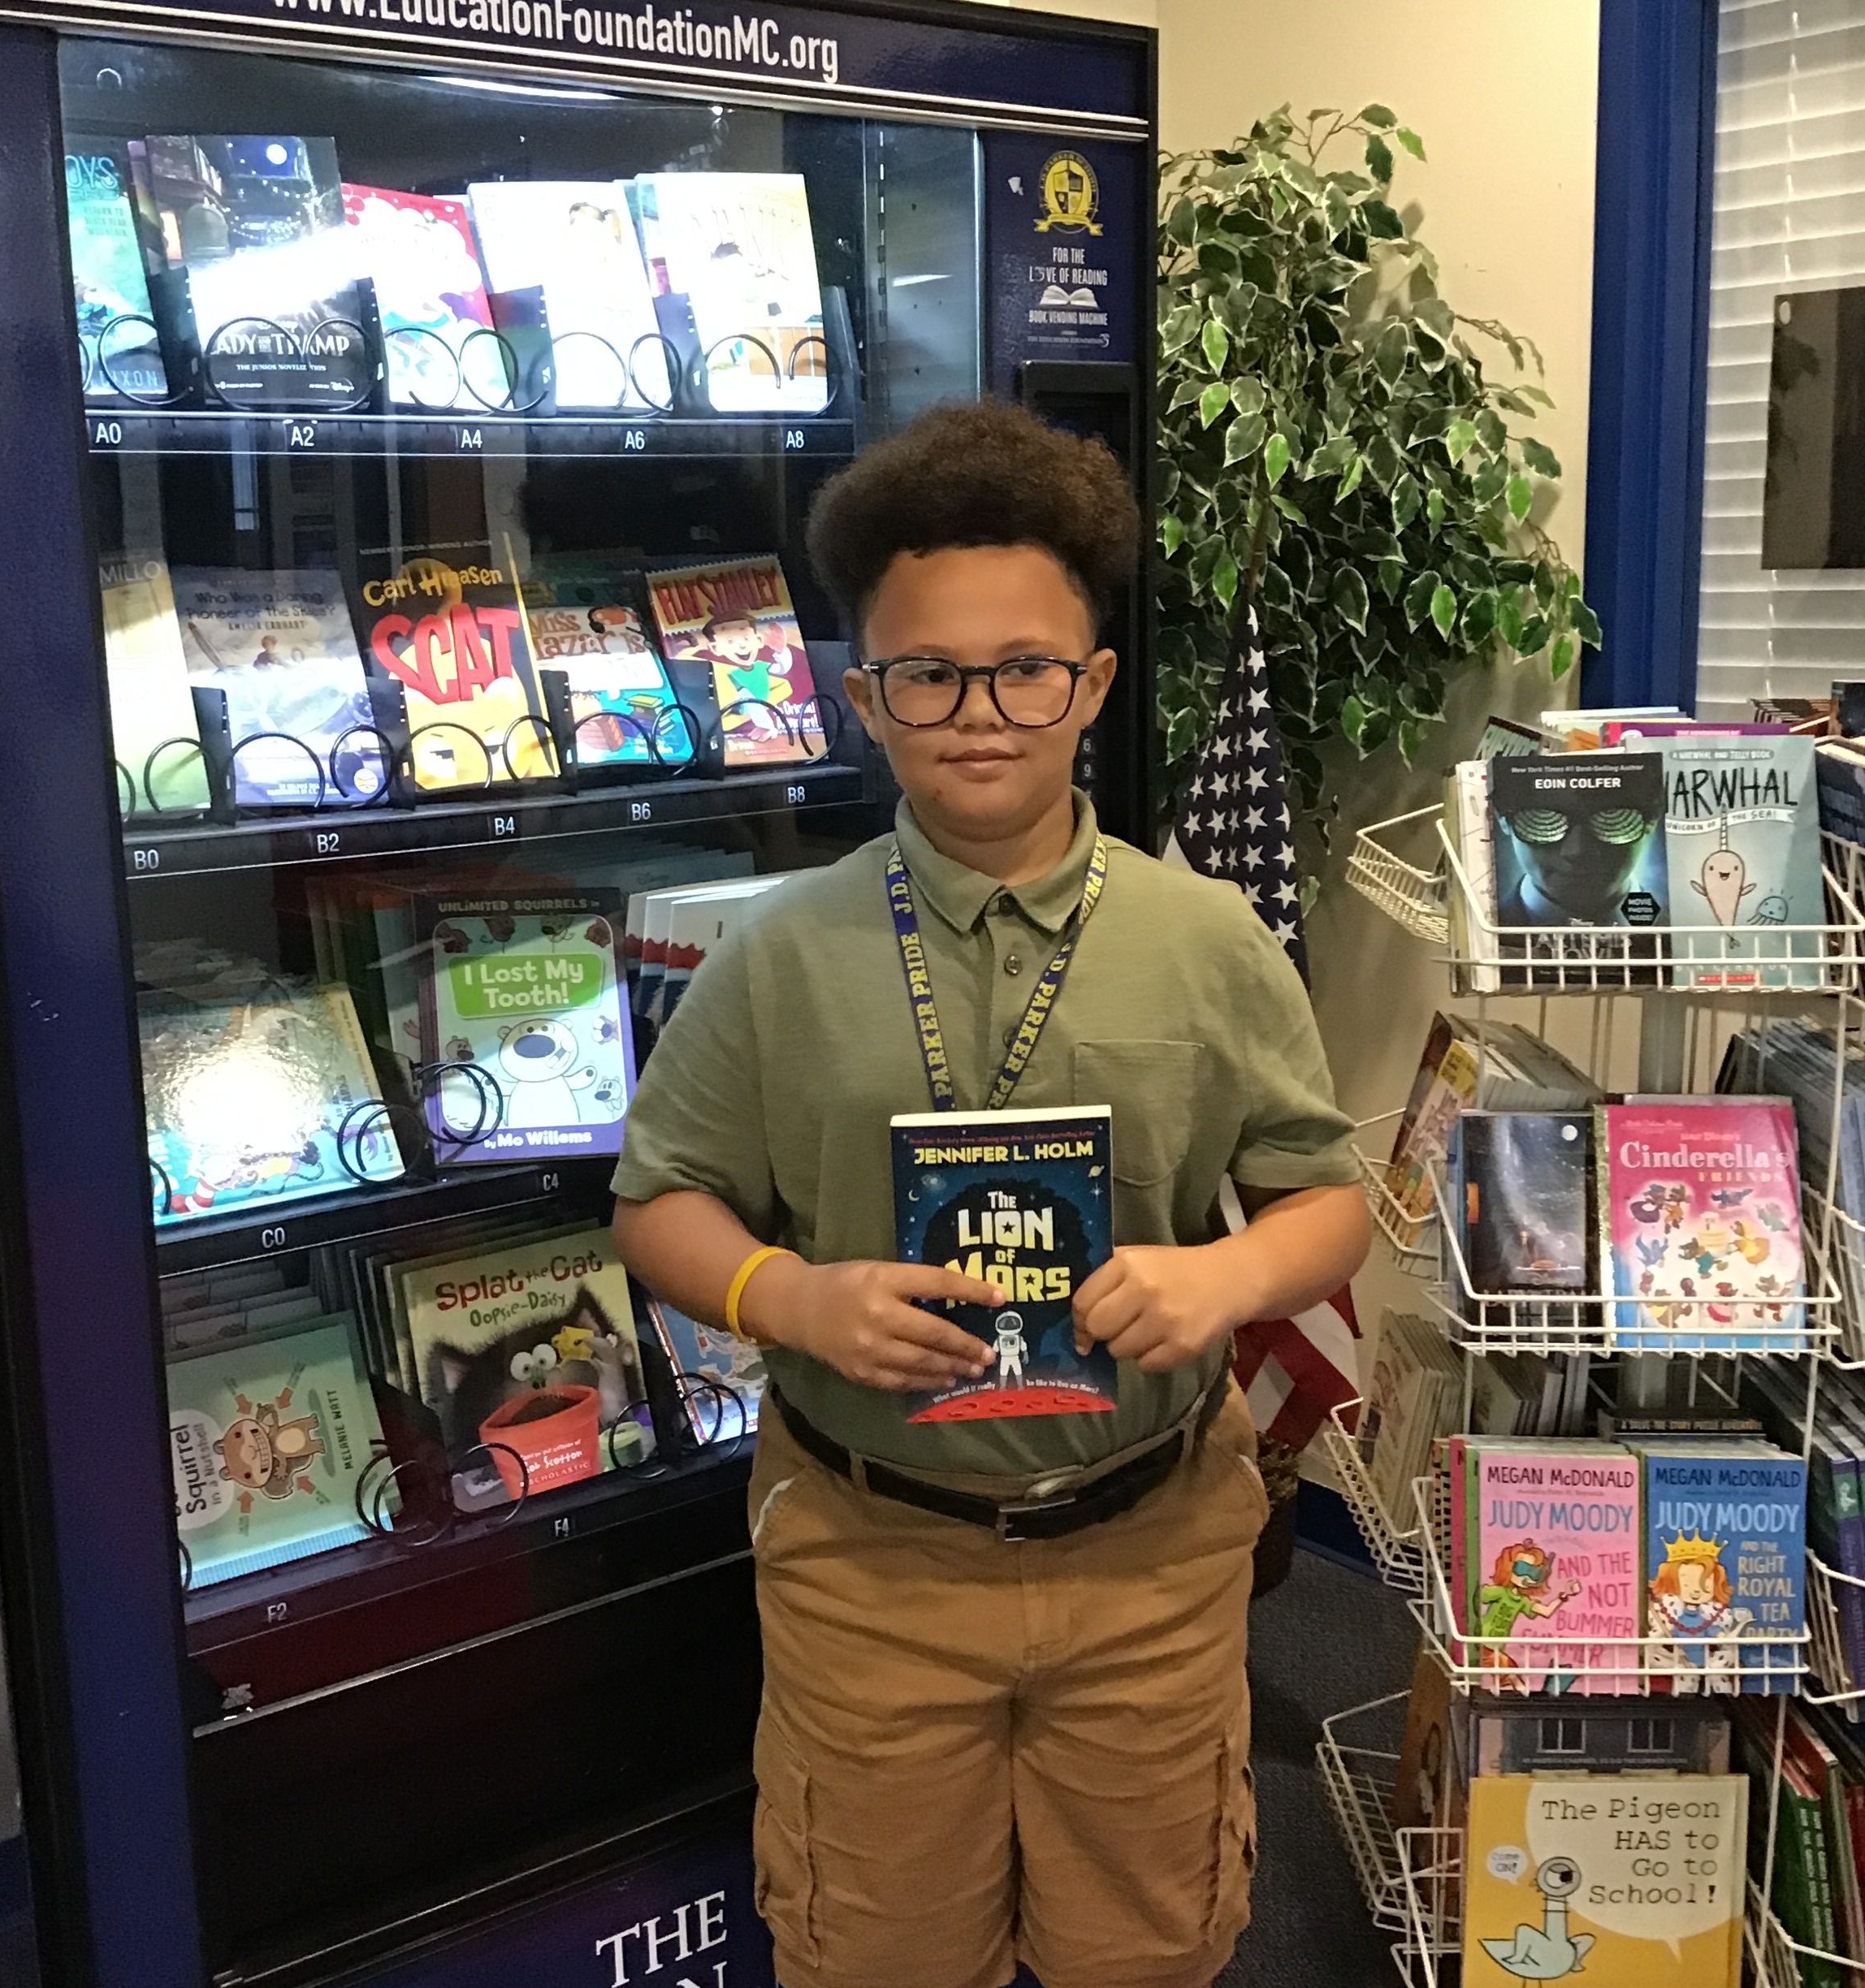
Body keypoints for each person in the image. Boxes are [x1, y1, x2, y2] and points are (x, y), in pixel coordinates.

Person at [611, 399, 1369, 1988]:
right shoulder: (776, 957)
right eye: (928, 674)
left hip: (1149, 1564)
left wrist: (1223, 1284)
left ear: (1091, 684)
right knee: (877, 1957)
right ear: (862, 697)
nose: (981, 712)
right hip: (874, 1568)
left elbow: (1325, 1201)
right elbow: (659, 1200)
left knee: (1147, 1954)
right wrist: (787, 1296)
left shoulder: (1207, 941)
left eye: (1026, 669)